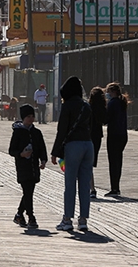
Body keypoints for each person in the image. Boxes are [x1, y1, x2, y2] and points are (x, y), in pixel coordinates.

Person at [50, 75, 93, 232]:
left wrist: (55, 152)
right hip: (88, 145)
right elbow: (93, 129)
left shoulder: (67, 106)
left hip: (73, 146)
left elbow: (62, 130)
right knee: (84, 185)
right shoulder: (86, 106)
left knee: (70, 185)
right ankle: (83, 220)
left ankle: (67, 219)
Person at [9, 104, 47, 229]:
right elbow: (11, 150)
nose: (31, 119)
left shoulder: (36, 132)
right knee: (28, 191)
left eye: (32, 116)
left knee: (28, 192)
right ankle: (31, 216)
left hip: (34, 166)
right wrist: (21, 154)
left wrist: (43, 160)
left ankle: (19, 214)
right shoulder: (18, 132)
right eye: (28, 117)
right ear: (23, 118)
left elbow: (42, 147)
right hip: (23, 166)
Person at [104, 82, 129, 197]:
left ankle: (114, 187)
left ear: (113, 92)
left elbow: (106, 118)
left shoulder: (113, 103)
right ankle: (116, 186)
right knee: (118, 160)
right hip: (122, 134)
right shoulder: (122, 102)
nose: (107, 94)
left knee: (113, 162)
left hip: (113, 134)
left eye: (108, 91)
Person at [87, 87, 107, 198]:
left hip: (87, 136)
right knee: (90, 163)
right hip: (97, 137)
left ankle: (91, 188)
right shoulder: (102, 109)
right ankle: (92, 189)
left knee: (86, 163)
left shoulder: (88, 108)